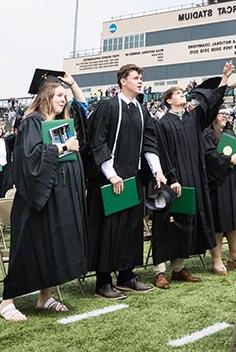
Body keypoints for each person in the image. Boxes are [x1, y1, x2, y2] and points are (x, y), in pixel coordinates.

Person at [0, 74, 90, 321]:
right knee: (30, 245)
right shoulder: (32, 123)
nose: (64, 100)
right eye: (59, 95)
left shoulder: (63, 123)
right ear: (46, 97)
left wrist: (72, 85)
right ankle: (7, 301)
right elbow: (30, 158)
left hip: (59, 196)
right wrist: (62, 148)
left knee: (53, 246)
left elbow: (84, 112)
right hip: (38, 198)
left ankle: (44, 297)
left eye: (65, 96)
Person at [148, 63, 232, 289]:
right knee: (166, 225)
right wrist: (172, 178)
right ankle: (160, 272)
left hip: (193, 178)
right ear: (168, 100)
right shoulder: (162, 124)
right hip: (171, 182)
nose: (182, 95)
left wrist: (224, 79)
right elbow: (162, 154)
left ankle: (179, 268)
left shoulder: (192, 118)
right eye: (177, 93)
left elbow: (212, 105)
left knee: (187, 224)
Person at [86, 64, 164, 300]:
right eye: (135, 78)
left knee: (131, 228)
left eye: (141, 78)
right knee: (109, 229)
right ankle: (103, 280)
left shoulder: (142, 110)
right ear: (122, 81)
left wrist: (157, 171)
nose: (140, 81)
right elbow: (98, 141)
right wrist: (111, 173)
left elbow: (149, 143)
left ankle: (126, 275)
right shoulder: (108, 106)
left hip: (133, 178)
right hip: (110, 179)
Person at [202, 108, 236, 275]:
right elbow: (209, 157)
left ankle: (234, 255)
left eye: (226, 114)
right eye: (221, 113)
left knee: (235, 218)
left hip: (235, 181)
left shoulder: (230, 131)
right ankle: (217, 259)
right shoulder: (207, 134)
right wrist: (228, 159)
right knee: (219, 220)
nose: (225, 117)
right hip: (218, 184)